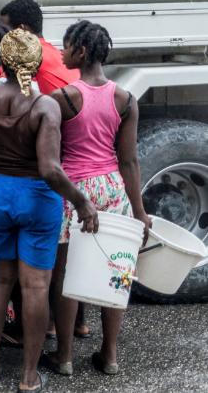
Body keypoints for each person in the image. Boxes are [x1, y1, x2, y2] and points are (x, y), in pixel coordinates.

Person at [0, 29, 99, 393]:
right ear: (37, 62)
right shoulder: (45, 106)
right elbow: (49, 169)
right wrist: (81, 200)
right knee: (36, 286)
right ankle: (28, 375)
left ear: (4, 62)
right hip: (37, 197)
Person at [44, 21, 151, 377]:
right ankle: (109, 355)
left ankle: (65, 357)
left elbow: (54, 155)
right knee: (116, 270)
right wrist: (140, 213)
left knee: (66, 275)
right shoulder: (125, 99)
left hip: (75, 192)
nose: (61, 53)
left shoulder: (63, 98)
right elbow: (129, 160)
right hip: (113, 187)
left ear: (82, 52)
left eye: (66, 46)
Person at [0, 0, 78, 94]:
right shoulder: (61, 56)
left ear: (21, 30)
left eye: (5, 30)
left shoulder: (17, 60)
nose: (2, 35)